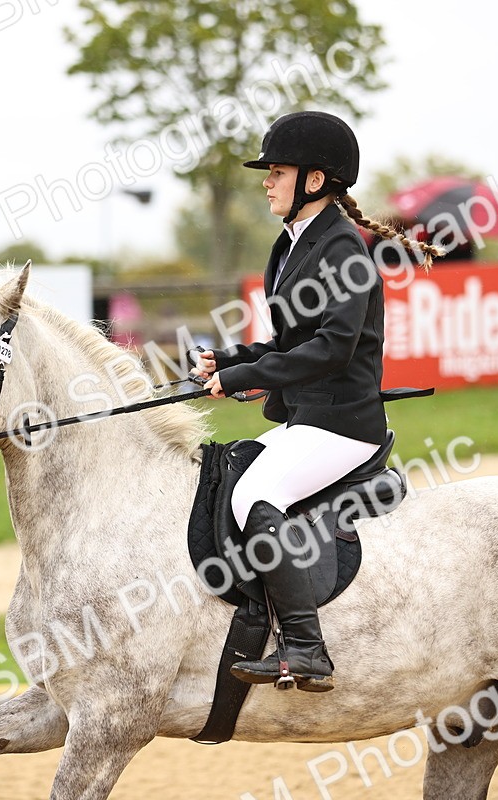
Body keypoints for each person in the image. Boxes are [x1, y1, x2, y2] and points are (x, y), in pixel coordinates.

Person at [193, 111, 441, 692]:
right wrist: (231, 362)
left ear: (314, 180)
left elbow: (332, 348)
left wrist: (247, 375)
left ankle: (305, 647)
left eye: (276, 171)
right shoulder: (289, 246)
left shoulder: (344, 251)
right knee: (232, 472)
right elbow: (289, 343)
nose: (266, 181)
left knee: (257, 493)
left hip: (341, 424)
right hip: (304, 418)